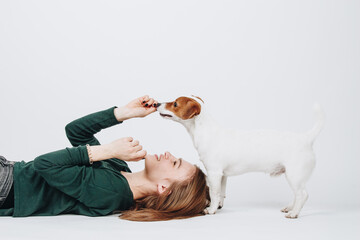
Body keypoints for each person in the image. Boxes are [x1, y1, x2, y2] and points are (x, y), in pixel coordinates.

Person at [0, 96, 209, 221]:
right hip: (8, 171)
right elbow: (75, 132)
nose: (169, 155)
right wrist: (124, 113)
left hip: (9, 187)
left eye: (174, 163)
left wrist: (106, 150)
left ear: (163, 188)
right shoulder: (119, 168)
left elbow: (44, 165)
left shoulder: (111, 192)